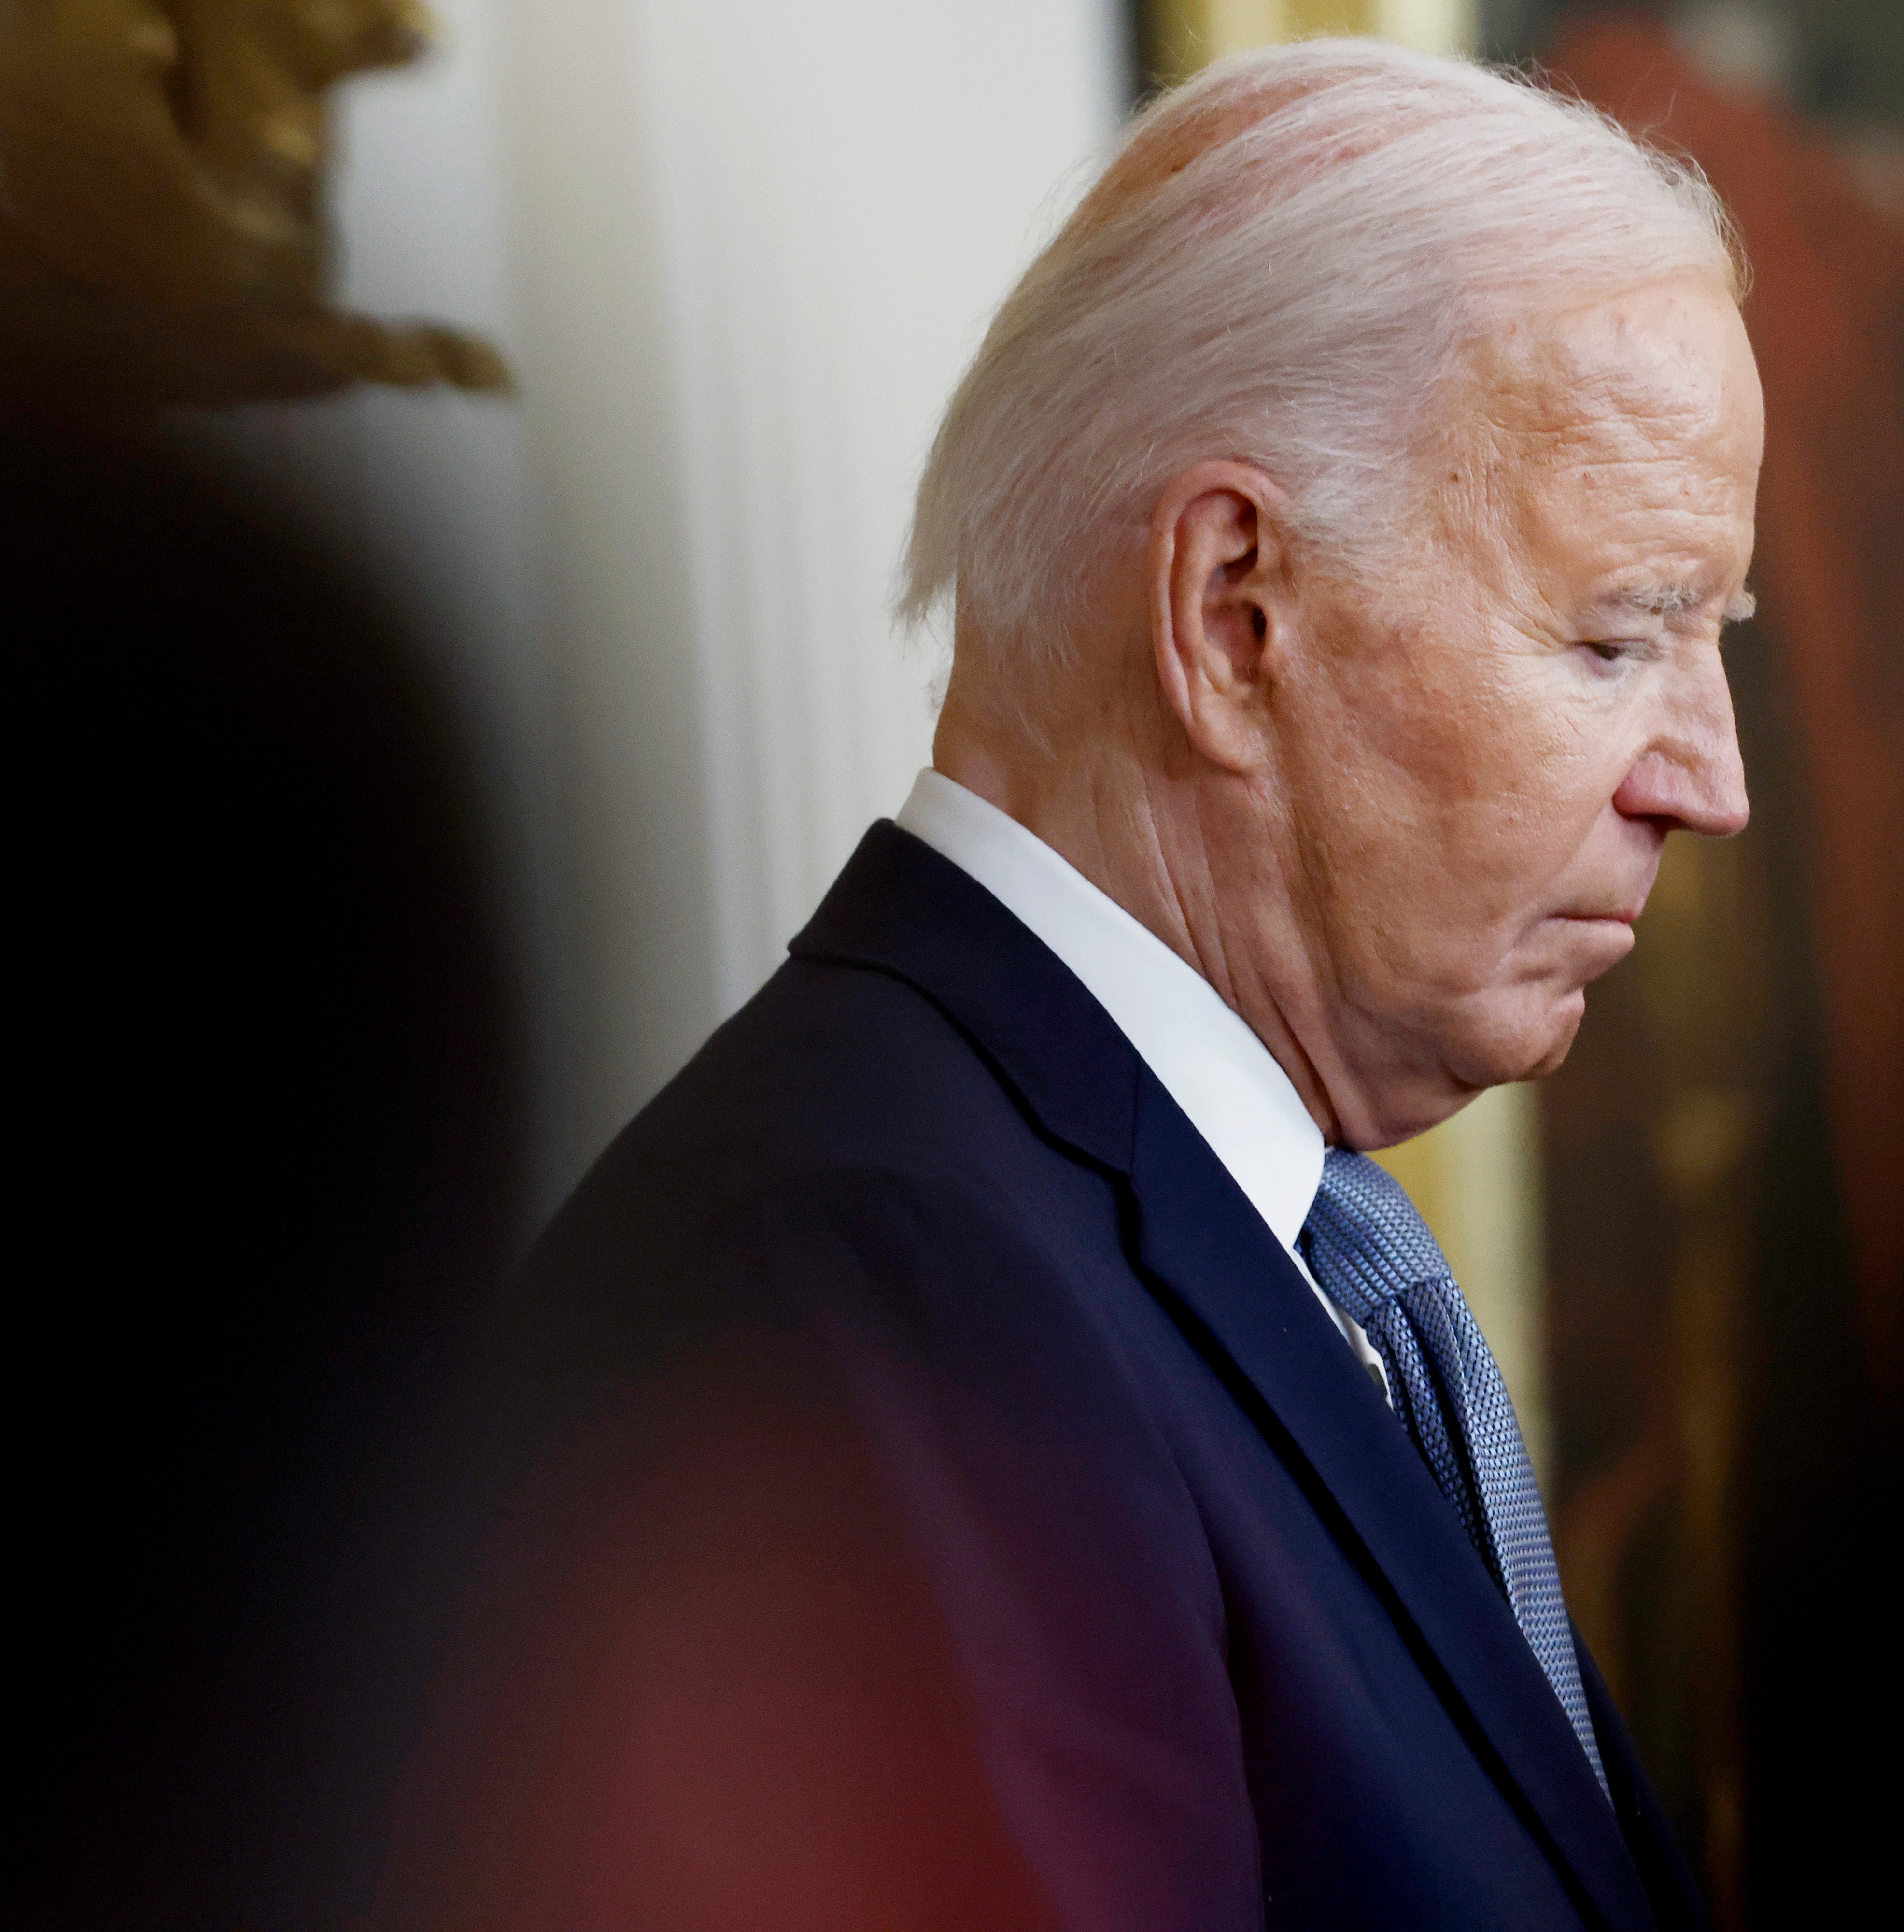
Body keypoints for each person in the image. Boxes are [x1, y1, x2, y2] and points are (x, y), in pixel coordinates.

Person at [383, 40, 1758, 1931]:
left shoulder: (1167, 1231)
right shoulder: (873, 1278)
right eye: (1624, 636)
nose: (1714, 779)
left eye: (1716, 641)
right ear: (1230, 615)